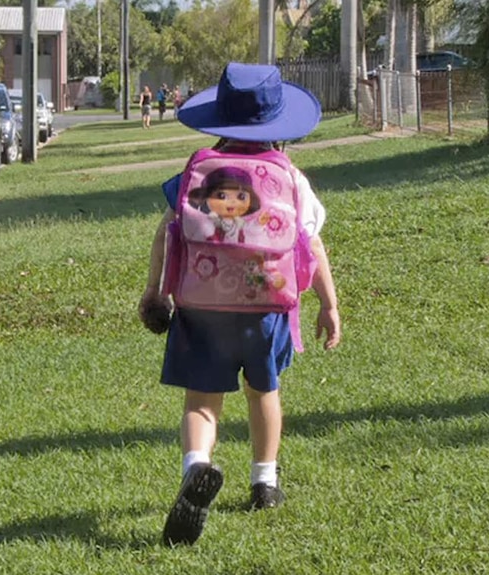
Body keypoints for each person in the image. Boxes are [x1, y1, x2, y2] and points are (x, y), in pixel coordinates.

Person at [139, 62, 341, 546]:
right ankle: (265, 481)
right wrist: (329, 305)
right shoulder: (291, 177)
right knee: (262, 393)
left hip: (200, 307)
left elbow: (164, 236)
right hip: (265, 309)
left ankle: (197, 468)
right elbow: (311, 246)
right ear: (279, 126)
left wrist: (153, 292)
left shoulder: (196, 173)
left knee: (202, 402)